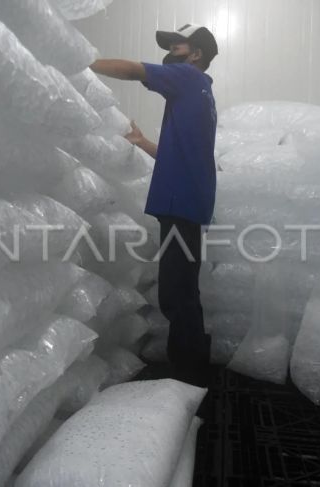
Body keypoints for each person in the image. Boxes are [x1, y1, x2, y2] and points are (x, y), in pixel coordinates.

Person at [90, 24, 219, 387]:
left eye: (177, 46)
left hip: (182, 202)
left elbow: (133, 70)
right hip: (186, 200)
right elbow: (177, 156)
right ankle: (192, 369)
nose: (171, 51)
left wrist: (84, 62)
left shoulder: (188, 79)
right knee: (181, 289)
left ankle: (188, 377)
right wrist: (143, 142)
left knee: (177, 292)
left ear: (195, 55)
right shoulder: (199, 94)